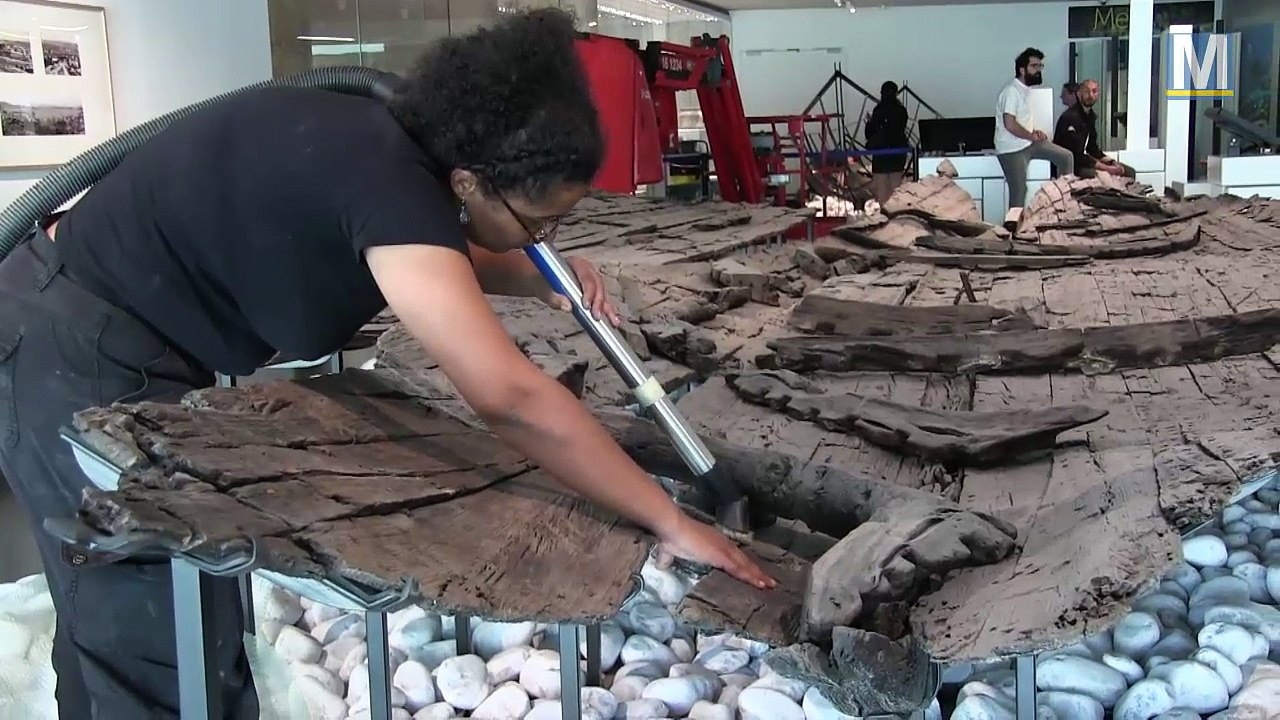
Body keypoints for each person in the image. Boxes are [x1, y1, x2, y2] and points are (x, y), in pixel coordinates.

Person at [0, 9, 775, 718]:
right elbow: (508, 397)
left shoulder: (387, 148)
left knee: (111, 615)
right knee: (154, 629)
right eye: (545, 220)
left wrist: (547, 279)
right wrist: (669, 521)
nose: (549, 237)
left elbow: (445, 251)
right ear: (470, 181)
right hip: (72, 347)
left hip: (96, 329)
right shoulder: (387, 179)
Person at [994, 47, 1075, 208]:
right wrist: (1031, 136)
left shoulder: (1026, 90)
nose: (1038, 70)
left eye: (1040, 66)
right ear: (1022, 70)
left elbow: (1021, 121)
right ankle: (1013, 230)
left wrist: (1033, 133)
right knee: (1019, 191)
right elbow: (1009, 124)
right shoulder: (1011, 91)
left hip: (1027, 143)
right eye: (1034, 66)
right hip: (1011, 149)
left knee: (1066, 157)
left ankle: (1063, 205)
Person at [1053, 78, 1135, 179]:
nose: (1091, 95)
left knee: (1129, 172)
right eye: (1087, 91)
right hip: (1071, 165)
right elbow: (1076, 155)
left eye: (1094, 91)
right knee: (1104, 176)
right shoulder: (1070, 117)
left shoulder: (1090, 116)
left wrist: (1111, 162)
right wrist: (1106, 168)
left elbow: (1092, 148)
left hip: (1082, 162)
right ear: (1078, 94)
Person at [864, 80, 911, 203]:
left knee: (884, 197)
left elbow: (871, 133)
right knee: (895, 196)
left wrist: (873, 125)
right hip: (894, 158)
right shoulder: (900, 111)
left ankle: (888, 219)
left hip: (882, 159)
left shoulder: (880, 110)